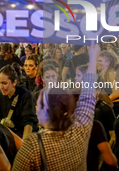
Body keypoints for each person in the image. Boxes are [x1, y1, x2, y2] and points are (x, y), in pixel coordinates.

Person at [12, 41, 100, 170]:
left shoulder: (33, 145)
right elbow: (89, 93)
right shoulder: (80, 128)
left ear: (44, 111)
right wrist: (93, 59)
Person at [0, 65, 39, 139]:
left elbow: (28, 123)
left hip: (27, 134)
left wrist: (24, 145)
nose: (1, 87)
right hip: (12, 134)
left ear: (14, 82)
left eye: (4, 83)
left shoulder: (25, 95)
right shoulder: (0, 97)